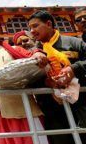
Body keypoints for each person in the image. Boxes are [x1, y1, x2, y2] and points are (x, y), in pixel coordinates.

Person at [28, 10, 86, 144]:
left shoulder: (74, 43)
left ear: (48, 24)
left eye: (35, 26)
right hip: (53, 111)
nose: (31, 31)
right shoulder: (34, 53)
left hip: (80, 104)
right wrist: (47, 82)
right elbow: (29, 79)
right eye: (30, 28)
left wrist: (73, 68)